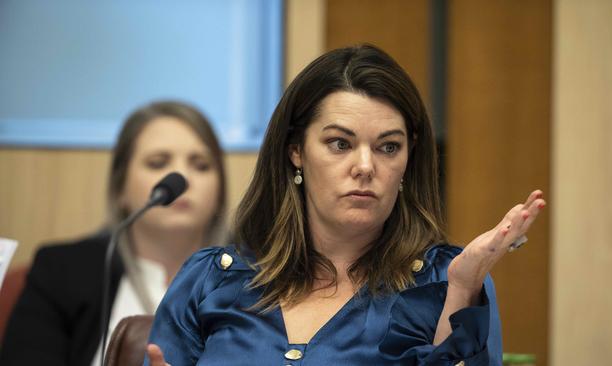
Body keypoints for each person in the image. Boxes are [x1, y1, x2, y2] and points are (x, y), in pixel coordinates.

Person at [145, 45, 546, 366]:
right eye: (341, 143)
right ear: (296, 151)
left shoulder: (447, 282)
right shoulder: (210, 280)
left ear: (409, 159)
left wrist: (460, 291)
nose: (366, 167)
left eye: (389, 147)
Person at [0, 101, 228, 366]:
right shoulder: (62, 272)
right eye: (158, 162)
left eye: (201, 165)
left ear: (220, 189)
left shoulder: (258, 277)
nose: (183, 177)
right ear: (120, 187)